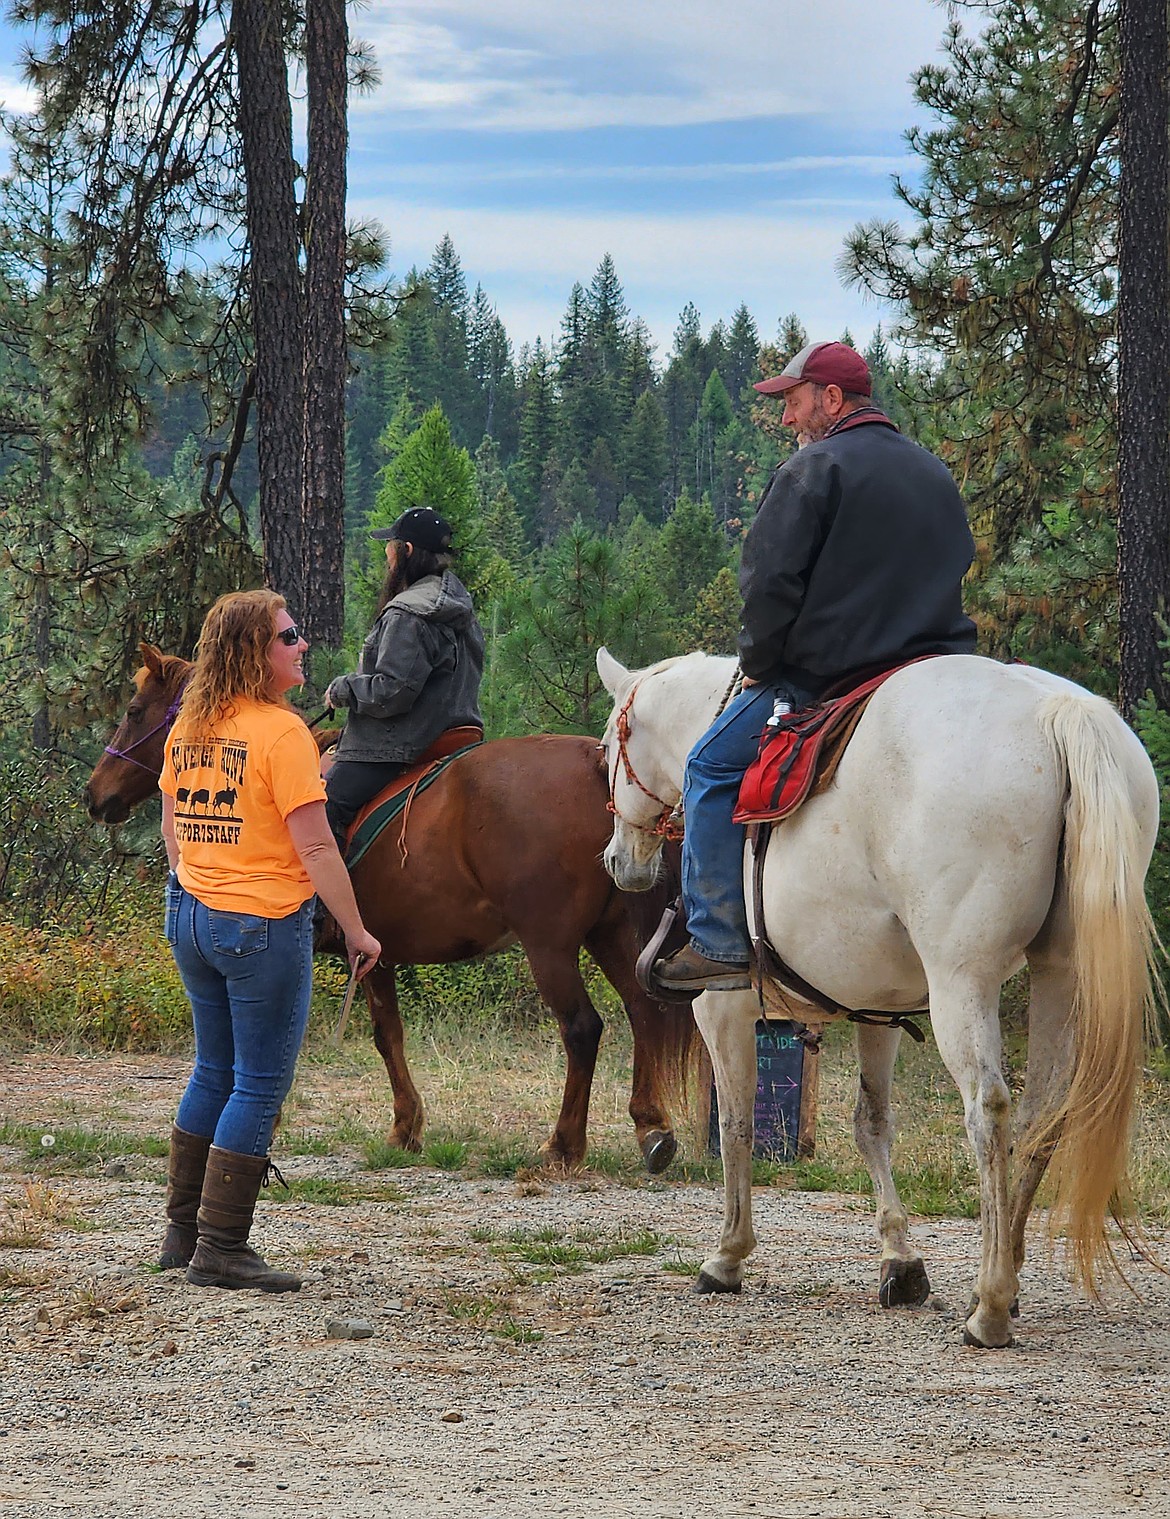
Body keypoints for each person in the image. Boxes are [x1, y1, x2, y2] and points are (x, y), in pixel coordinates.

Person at [653, 341, 978, 994]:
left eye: (794, 402)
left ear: (831, 399)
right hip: (936, 672)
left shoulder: (814, 469)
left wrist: (758, 664)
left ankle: (717, 939)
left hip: (830, 679)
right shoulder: (934, 473)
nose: (786, 420)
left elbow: (769, 586)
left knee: (708, 767)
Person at [158, 590, 381, 1292]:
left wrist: (196, 881)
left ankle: (183, 1234)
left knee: (212, 1071)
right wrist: (355, 928)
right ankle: (222, 1247)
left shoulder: (189, 725)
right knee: (257, 1083)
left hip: (191, 915)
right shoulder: (283, 734)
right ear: (256, 652)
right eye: (288, 637)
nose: (302, 644)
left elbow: (170, 825)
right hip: (260, 925)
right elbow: (315, 848)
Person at [323, 507, 486, 855]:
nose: (386, 555)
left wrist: (343, 689)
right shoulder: (460, 607)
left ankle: (316, 908)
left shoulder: (407, 613)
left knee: (323, 809)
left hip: (400, 743)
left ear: (407, 551)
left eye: (391, 547)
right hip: (457, 732)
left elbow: (391, 692)